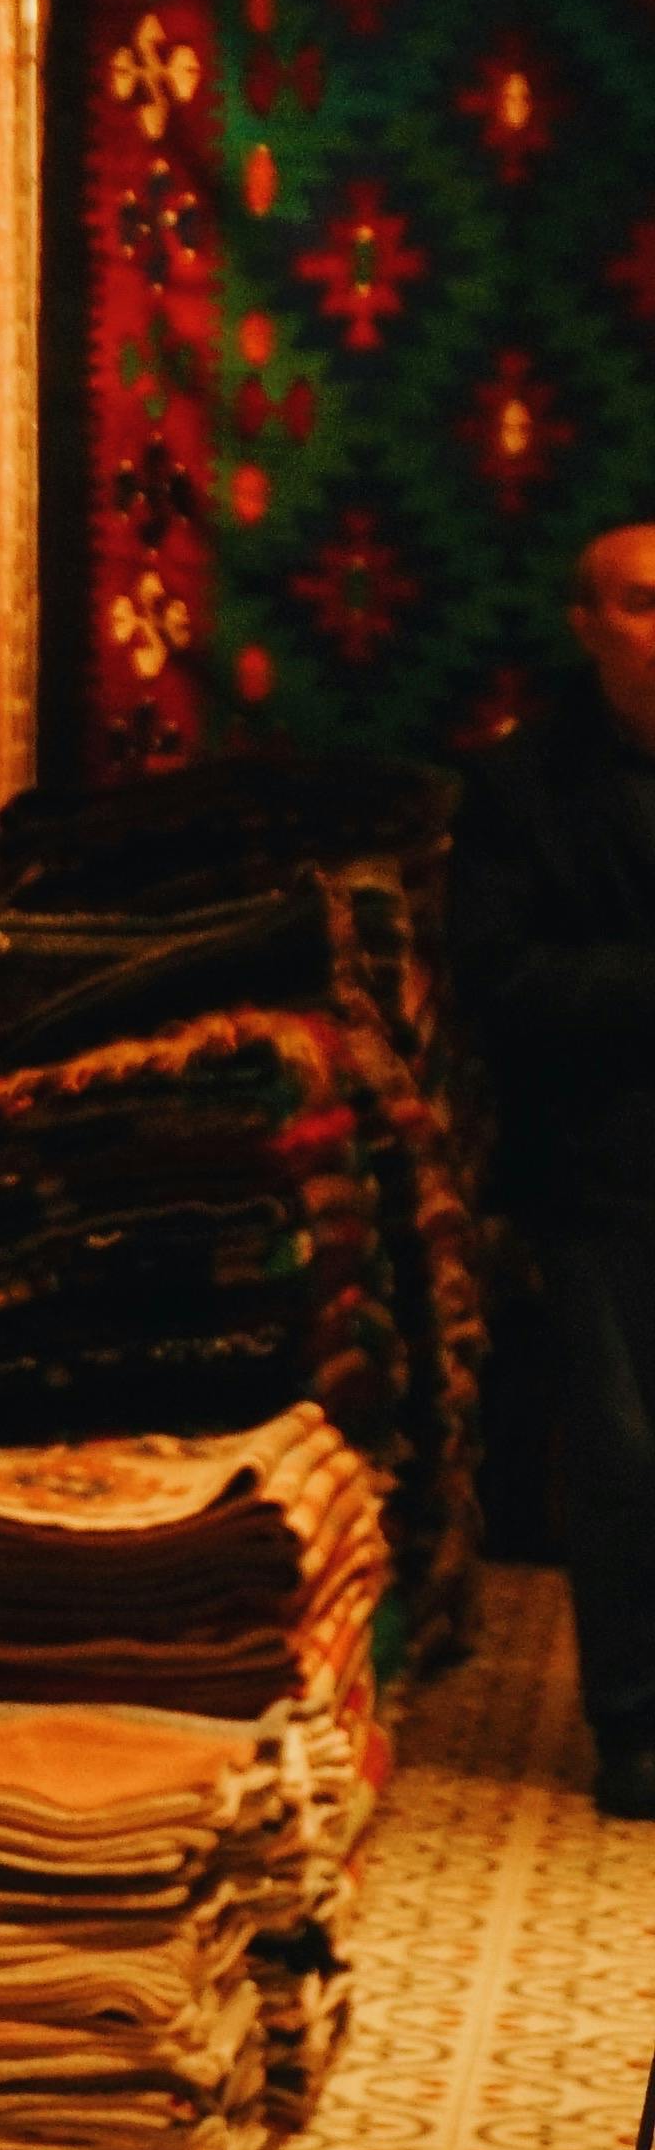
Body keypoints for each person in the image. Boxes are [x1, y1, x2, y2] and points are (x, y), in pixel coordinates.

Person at [456, 521, 655, 1811]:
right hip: (604, 1170)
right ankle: (634, 1727)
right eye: (642, 604)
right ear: (587, 626)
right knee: (625, 1458)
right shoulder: (525, 788)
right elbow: (500, 983)